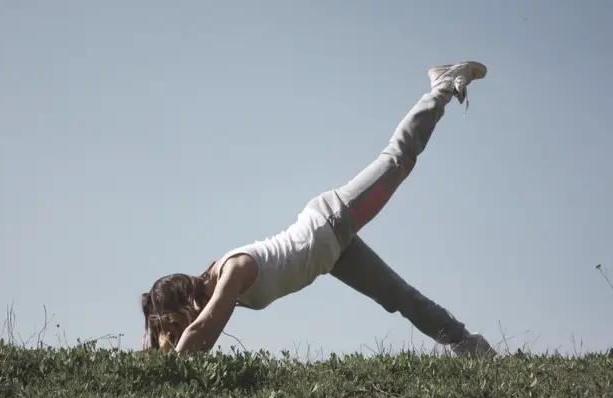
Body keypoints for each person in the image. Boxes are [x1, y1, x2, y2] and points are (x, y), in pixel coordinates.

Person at [141, 60, 497, 359]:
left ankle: (443, 84)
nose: (180, 328)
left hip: (331, 221)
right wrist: (157, 350)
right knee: (398, 296)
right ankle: (471, 346)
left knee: (399, 159)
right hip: (331, 253)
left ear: (186, 301)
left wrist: (173, 373)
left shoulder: (232, 272)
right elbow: (192, 338)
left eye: (176, 322)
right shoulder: (221, 292)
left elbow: (202, 331)